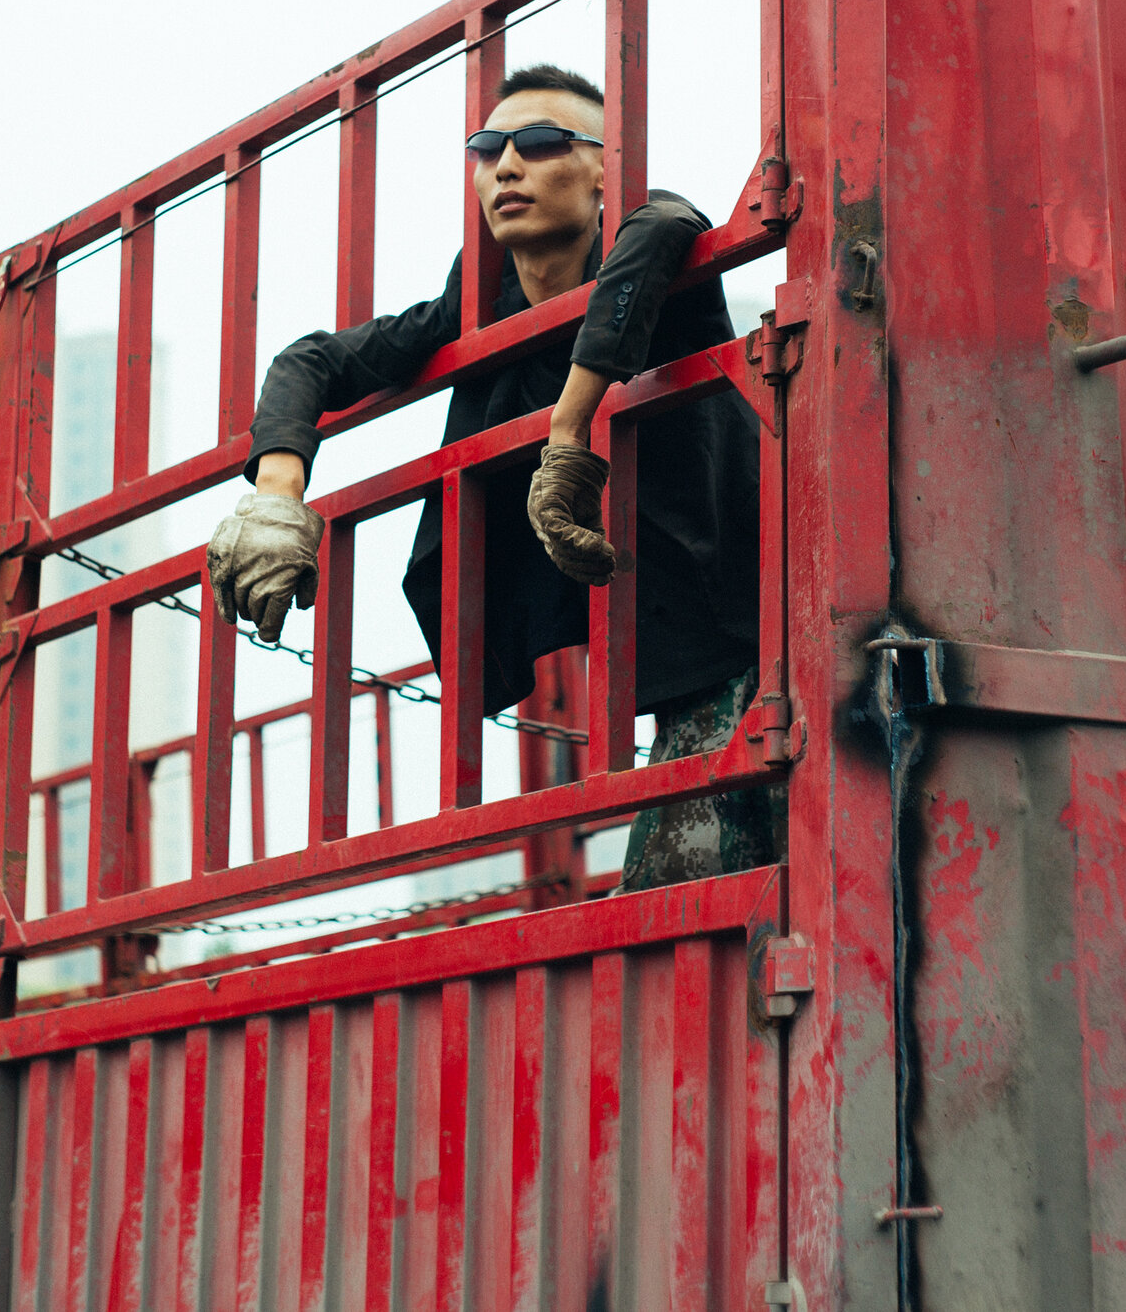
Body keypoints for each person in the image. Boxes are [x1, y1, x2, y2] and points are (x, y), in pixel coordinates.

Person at [204, 63, 778, 890]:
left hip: (751, 634)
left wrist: (570, 426)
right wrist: (275, 501)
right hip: (649, 649)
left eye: (541, 143)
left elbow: (664, 221)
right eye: (488, 148)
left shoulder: (662, 268)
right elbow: (313, 361)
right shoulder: (477, 304)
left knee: (694, 898)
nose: (506, 165)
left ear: (603, 170)